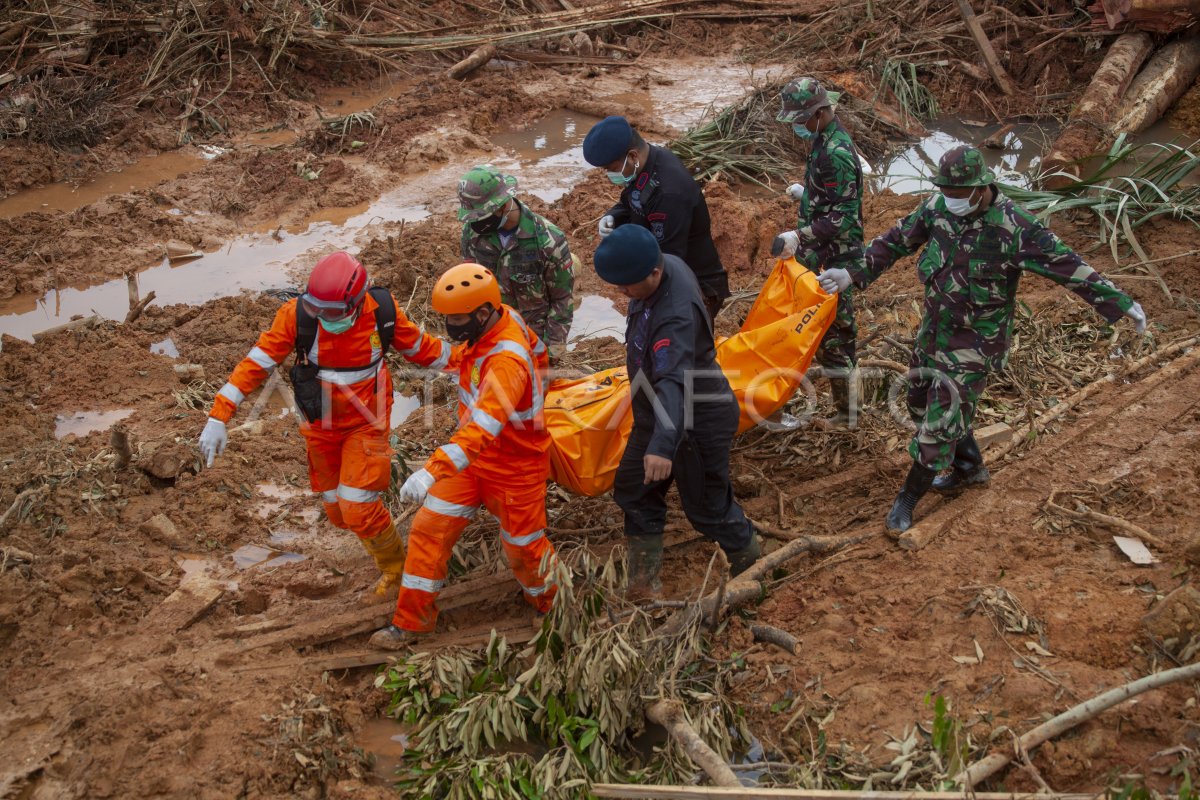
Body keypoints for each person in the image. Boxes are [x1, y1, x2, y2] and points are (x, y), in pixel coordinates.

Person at [818, 145, 1147, 533]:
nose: (951, 200)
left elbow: (1067, 265)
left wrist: (1119, 302)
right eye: (946, 192)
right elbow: (895, 240)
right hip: (934, 331)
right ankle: (969, 466)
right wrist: (851, 273)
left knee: (938, 424)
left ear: (982, 188)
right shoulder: (938, 208)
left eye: (958, 194)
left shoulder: (1016, 226)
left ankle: (907, 498)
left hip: (975, 344)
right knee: (918, 401)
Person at [197, 251, 451, 593]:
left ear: (358, 302)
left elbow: (425, 350)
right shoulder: (297, 318)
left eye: (331, 313)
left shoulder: (382, 314)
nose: (323, 318)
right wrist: (219, 415)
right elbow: (256, 364)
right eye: (317, 310)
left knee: (357, 507)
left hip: (368, 423)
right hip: (320, 428)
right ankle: (380, 535)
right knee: (337, 512)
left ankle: (396, 572)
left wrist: (475, 363)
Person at [369, 263, 557, 649]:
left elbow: (483, 428)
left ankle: (550, 605)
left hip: (515, 467)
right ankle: (411, 621)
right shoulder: (499, 324)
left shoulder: (506, 363)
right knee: (428, 529)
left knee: (525, 548)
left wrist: (430, 471)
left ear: (483, 313)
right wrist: (398, 329)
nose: (451, 325)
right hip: (472, 461)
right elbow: (533, 354)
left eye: (456, 319)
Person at [593, 225, 760, 596]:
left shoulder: (674, 317)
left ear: (654, 274)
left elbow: (674, 380)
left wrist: (662, 444)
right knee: (635, 490)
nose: (623, 293)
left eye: (628, 285)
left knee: (708, 509)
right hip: (657, 413)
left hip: (696, 420)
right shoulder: (663, 263)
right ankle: (643, 582)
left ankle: (755, 571)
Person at [772, 77, 864, 426]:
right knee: (802, 323)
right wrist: (806, 194)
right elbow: (831, 198)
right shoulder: (822, 140)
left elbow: (844, 217)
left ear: (820, 112)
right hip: (821, 249)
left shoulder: (836, 153)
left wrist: (799, 233)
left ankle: (848, 415)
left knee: (836, 337)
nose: (797, 126)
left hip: (837, 255)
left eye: (800, 119)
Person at [582, 115, 730, 324]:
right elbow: (630, 201)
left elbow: (669, 258)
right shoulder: (644, 165)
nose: (609, 174)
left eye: (612, 169)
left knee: (681, 348)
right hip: (659, 272)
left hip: (693, 286)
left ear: (632, 156)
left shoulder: (670, 192)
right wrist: (612, 217)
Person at [457, 165, 576, 364]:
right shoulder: (472, 235)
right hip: (491, 338)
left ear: (502, 206)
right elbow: (470, 286)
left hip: (534, 341)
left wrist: (552, 354)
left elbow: (562, 300)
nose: (475, 223)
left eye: (481, 216)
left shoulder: (548, 240)